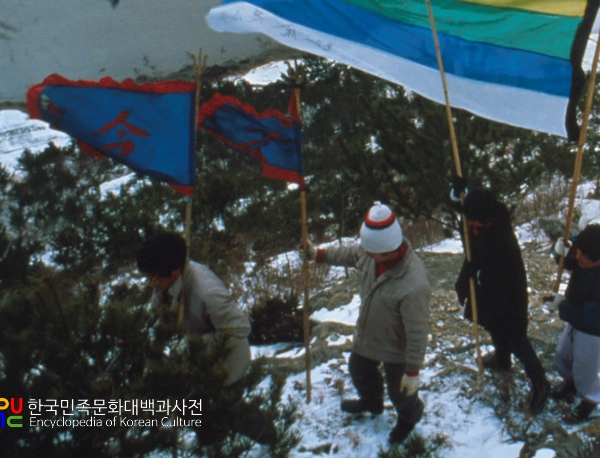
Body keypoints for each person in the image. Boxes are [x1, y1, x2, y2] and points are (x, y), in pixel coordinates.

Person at [305, 202, 431, 445]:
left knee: (401, 393)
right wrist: (317, 255)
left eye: (371, 251)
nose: (365, 254)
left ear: (390, 249)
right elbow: (348, 254)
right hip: (369, 335)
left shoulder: (414, 284)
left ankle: (410, 416)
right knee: (359, 370)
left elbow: (418, 332)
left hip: (397, 348)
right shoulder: (371, 253)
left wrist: (412, 371)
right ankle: (373, 403)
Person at [137, 232, 277, 446]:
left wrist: (193, 345)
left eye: (154, 277)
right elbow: (160, 315)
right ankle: (210, 443)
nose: (151, 283)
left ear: (174, 273)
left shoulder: (207, 292)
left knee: (231, 412)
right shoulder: (165, 278)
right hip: (196, 362)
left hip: (227, 360)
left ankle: (273, 439)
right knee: (194, 412)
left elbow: (240, 328)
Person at [451, 180, 550, 413]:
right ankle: (502, 360)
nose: (468, 223)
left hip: (507, 294)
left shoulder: (501, 239)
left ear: (484, 219)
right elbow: (467, 213)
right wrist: (457, 197)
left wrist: (475, 276)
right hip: (489, 289)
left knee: (516, 338)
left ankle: (540, 383)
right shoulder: (484, 220)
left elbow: (485, 261)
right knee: (493, 326)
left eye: (472, 220)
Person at [547, 222, 600, 422]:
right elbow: (571, 251)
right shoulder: (588, 247)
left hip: (599, 328)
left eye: (584, 257)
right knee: (563, 356)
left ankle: (591, 398)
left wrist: (562, 306)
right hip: (579, 313)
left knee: (585, 367)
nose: (578, 258)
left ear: (599, 259)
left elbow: (592, 317)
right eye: (579, 252)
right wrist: (560, 251)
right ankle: (572, 383)